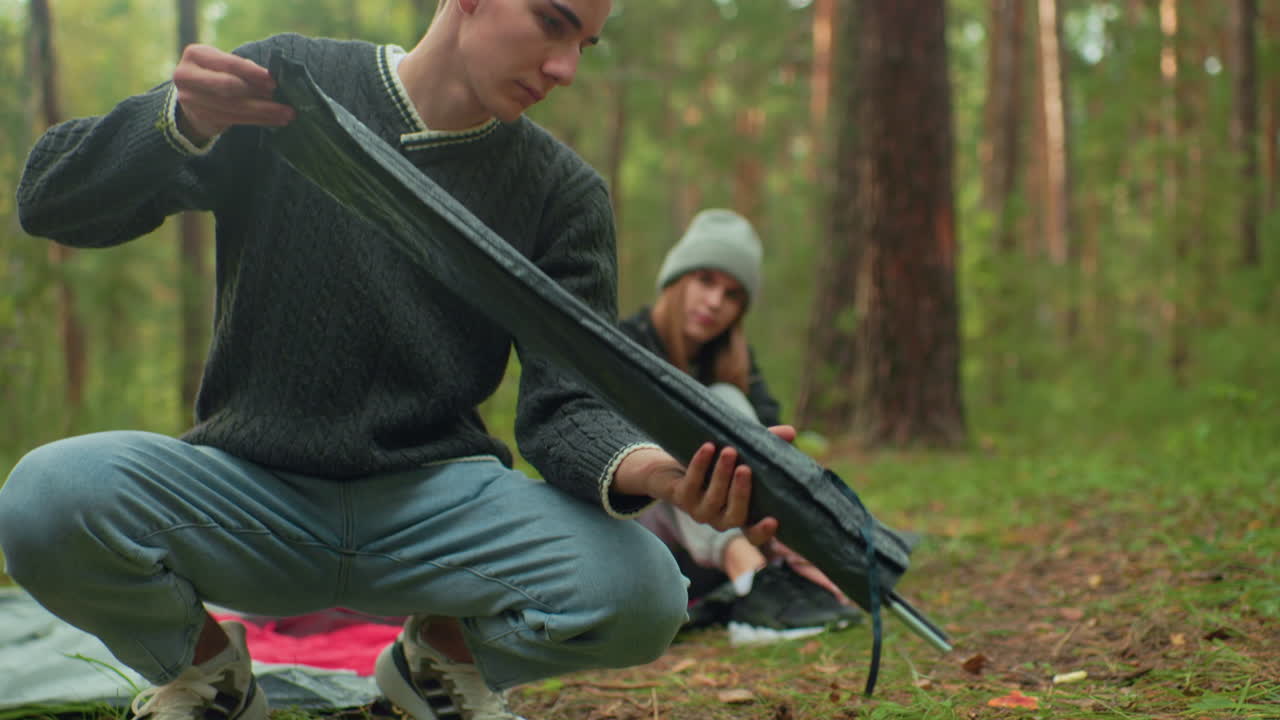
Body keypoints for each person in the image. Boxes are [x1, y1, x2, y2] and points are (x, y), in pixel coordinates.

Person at [0, 3, 794, 720]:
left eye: (585, 43)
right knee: (45, 497)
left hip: (438, 508)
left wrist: (656, 471)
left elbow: (568, 405)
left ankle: (438, 665)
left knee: (646, 592)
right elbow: (51, 200)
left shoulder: (562, 194)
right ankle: (207, 677)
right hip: (250, 495)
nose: (566, 69)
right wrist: (181, 119)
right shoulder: (287, 91)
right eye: (552, 23)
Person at [619, 208, 862, 643]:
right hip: (633, 526)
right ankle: (750, 580)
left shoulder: (735, 366)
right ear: (678, 279)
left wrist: (803, 544)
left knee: (729, 403)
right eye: (706, 281)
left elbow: (775, 458)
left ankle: (776, 573)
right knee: (691, 418)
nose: (715, 302)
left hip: (708, 539)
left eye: (732, 294)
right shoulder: (624, 345)